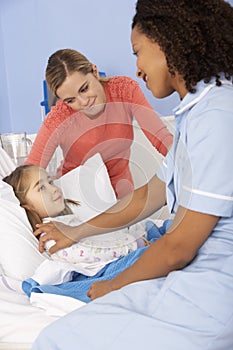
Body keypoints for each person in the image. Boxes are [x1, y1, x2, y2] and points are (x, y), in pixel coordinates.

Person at [32, 1, 233, 348]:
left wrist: (113, 286)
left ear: (169, 43)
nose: (137, 66)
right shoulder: (196, 114)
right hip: (190, 270)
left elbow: (178, 248)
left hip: (214, 287)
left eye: (138, 52)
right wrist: (73, 231)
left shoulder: (215, 116)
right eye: (70, 99)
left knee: (56, 340)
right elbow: (146, 195)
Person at [25, 49, 173, 199]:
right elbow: (29, 174)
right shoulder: (59, 118)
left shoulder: (124, 91)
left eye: (84, 89)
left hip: (123, 197)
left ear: (95, 72)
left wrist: (189, 163)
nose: (83, 102)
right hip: (78, 200)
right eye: (71, 100)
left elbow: (161, 138)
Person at [3, 164, 150, 272]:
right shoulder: (49, 235)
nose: (54, 188)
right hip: (127, 254)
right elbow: (88, 253)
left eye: (50, 182)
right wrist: (134, 246)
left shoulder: (67, 220)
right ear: (27, 206)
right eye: (41, 188)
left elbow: (103, 236)